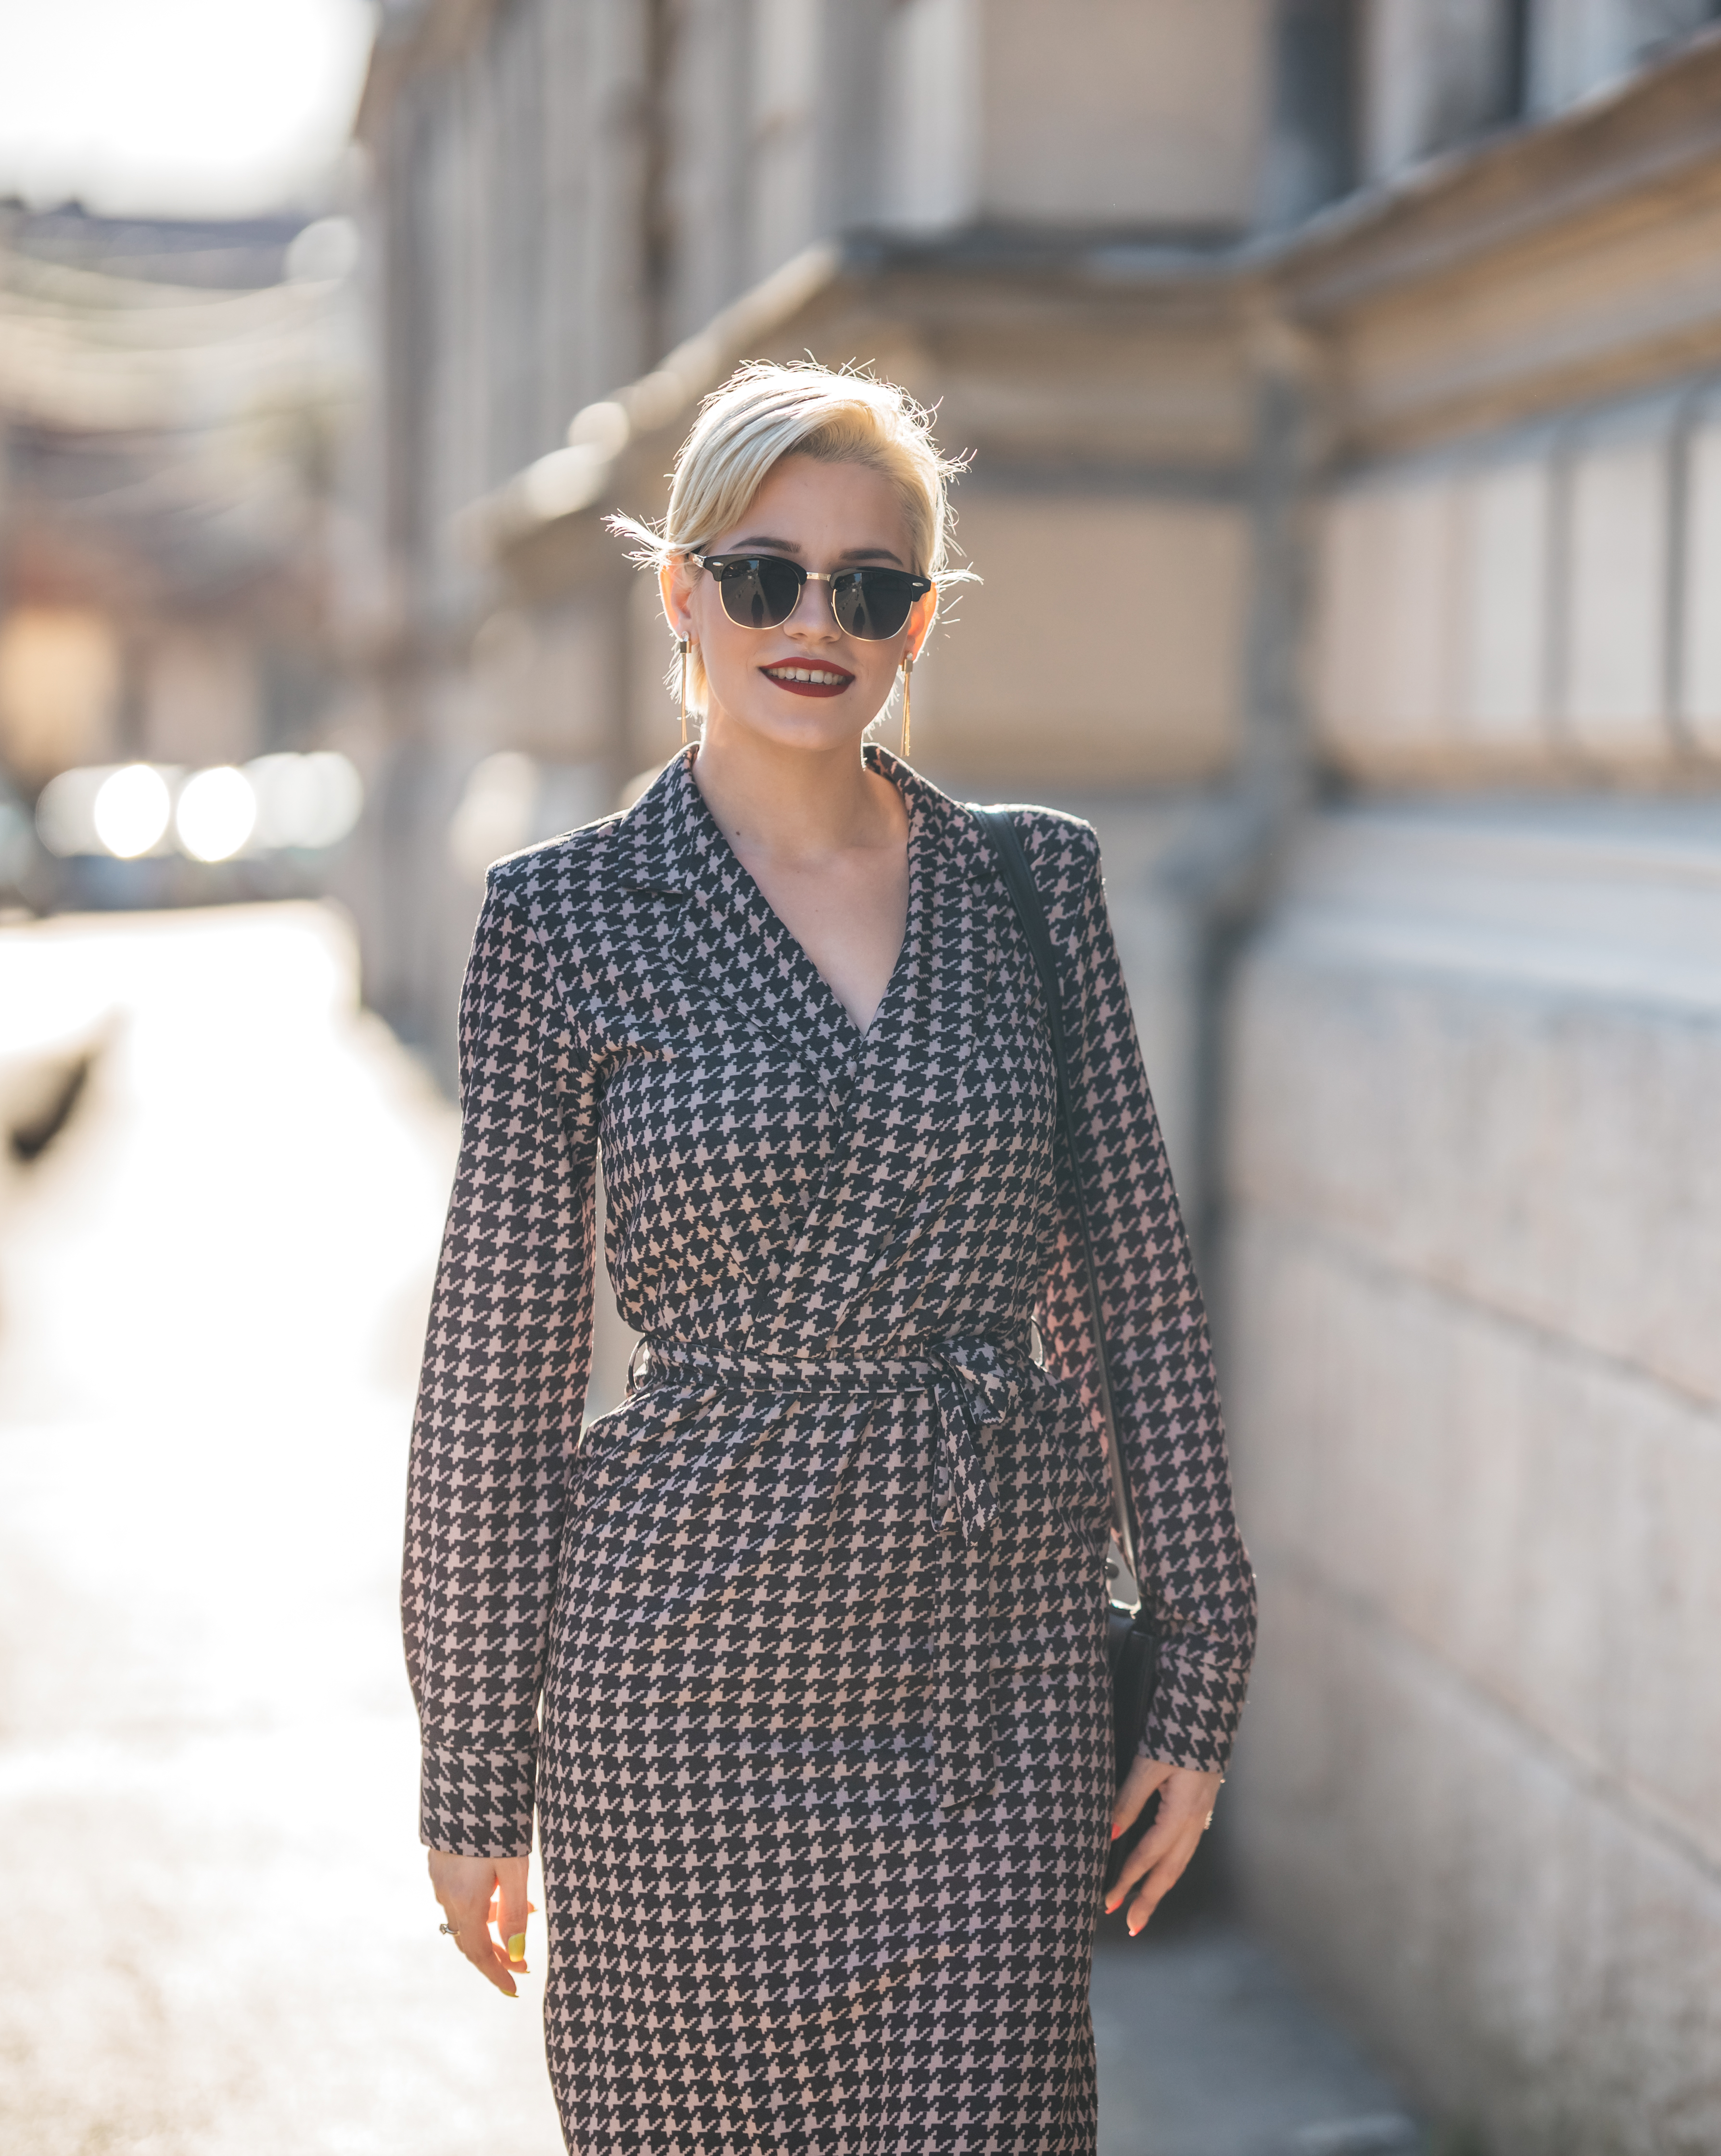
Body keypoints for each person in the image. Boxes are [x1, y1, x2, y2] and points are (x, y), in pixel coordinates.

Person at [403, 359, 1258, 2152]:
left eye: (868, 586)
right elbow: (498, 1362)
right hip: (685, 1690)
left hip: (987, 1669)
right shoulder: (562, 918)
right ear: (682, 591)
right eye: (764, 572)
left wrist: (1199, 1651)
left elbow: (1131, 1286)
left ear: (918, 622)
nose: (814, 620)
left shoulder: (1035, 887)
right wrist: (475, 1768)